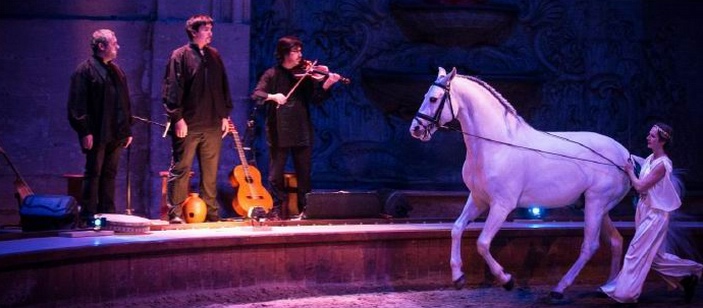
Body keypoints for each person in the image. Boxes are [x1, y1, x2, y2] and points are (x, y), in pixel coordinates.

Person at [600, 123, 702, 304]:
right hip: (644, 209)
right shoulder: (649, 158)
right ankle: (689, 275)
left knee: (635, 252)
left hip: (656, 214)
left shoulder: (662, 164)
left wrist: (630, 172)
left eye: (652, 136)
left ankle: (626, 294)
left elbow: (639, 186)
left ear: (662, 142)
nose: (648, 138)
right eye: (649, 135)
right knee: (654, 256)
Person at [251, 36, 342, 220]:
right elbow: (257, 94)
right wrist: (273, 96)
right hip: (278, 129)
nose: (300, 55)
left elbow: (316, 99)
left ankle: (305, 209)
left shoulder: (305, 75)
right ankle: (276, 209)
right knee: (275, 174)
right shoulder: (272, 74)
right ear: (285, 53)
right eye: (295, 51)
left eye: (300, 51)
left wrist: (327, 84)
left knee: (304, 172)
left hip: (301, 127)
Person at [162, 14, 233, 224]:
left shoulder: (214, 55)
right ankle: (174, 212)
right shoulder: (180, 56)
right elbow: (172, 89)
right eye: (206, 29)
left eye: (211, 29)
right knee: (181, 168)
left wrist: (224, 116)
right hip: (189, 123)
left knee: (210, 171)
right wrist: (177, 118)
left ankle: (211, 212)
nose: (210, 33)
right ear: (194, 32)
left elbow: (223, 87)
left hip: (212, 123)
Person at [68, 29, 133, 222]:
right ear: (101, 46)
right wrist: (84, 130)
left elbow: (125, 102)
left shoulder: (117, 70)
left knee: (110, 173)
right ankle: (88, 213)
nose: (118, 46)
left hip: (116, 131)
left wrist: (127, 128)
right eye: (114, 43)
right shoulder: (85, 70)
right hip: (96, 131)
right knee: (93, 172)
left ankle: (107, 212)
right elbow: (77, 103)